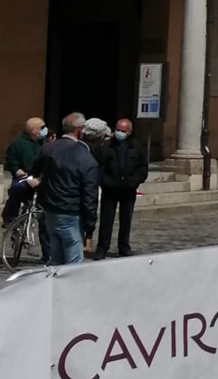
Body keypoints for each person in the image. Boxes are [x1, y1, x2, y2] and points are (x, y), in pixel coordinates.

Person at [28, 112, 99, 266]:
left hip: (51, 210)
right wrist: (89, 229)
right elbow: (90, 196)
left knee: (56, 258)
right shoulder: (85, 157)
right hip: (71, 212)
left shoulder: (48, 148)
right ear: (80, 130)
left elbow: (33, 170)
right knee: (73, 264)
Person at [93, 118, 149, 259]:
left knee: (126, 219)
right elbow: (98, 167)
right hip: (109, 189)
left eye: (123, 131)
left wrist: (135, 181)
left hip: (128, 189)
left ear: (129, 132)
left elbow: (142, 168)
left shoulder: (136, 147)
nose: (119, 133)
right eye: (118, 129)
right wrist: (104, 181)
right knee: (106, 220)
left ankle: (124, 246)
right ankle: (102, 248)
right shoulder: (105, 146)